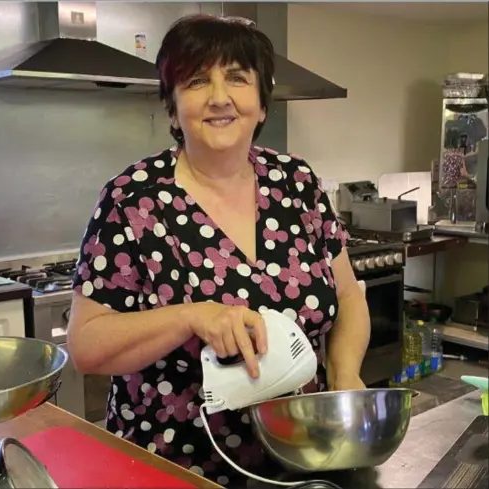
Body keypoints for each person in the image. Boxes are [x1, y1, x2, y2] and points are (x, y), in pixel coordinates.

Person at [67, 13, 371, 487]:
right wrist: (190, 317)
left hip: (302, 457)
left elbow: (349, 297)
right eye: (196, 81)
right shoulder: (133, 200)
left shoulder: (297, 183)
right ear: (172, 108)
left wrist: (347, 372)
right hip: (173, 468)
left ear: (262, 103)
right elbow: (85, 346)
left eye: (236, 78)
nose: (219, 97)